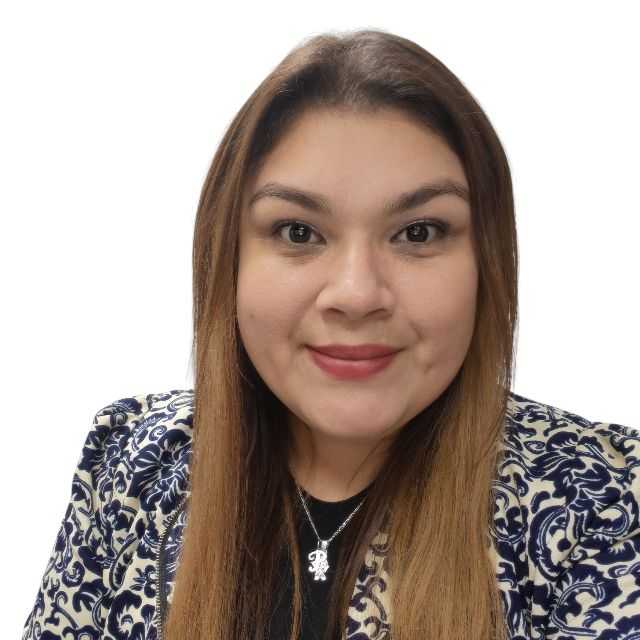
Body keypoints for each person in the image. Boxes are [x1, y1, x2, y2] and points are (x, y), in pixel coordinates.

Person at [21, 28, 640, 640]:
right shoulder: (130, 462)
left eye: (418, 232)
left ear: (489, 261)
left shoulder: (606, 502)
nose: (356, 295)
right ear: (226, 258)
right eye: (298, 232)